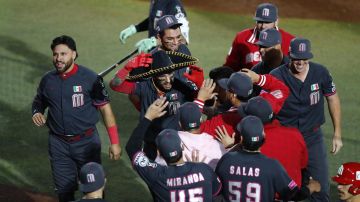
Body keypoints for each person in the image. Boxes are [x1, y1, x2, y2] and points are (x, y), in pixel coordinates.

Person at [31, 35, 121, 202]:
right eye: (55, 54)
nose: (58, 58)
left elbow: (106, 110)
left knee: (94, 190)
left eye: (63, 54)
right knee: (64, 191)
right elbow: (39, 101)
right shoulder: (47, 80)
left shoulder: (90, 78)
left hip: (87, 142)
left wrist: (114, 142)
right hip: (58, 145)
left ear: (74, 54)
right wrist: (36, 112)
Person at [270, 37, 343, 201]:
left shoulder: (321, 72)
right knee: (282, 189)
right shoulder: (276, 76)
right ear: (289, 55)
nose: (300, 62)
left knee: (321, 189)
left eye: (304, 58)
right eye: (296, 58)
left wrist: (337, 133)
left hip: (312, 138)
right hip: (286, 138)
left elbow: (332, 98)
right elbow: (266, 107)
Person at [125, 98, 222, 201]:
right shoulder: (204, 169)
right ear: (182, 147)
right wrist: (194, 169)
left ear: (158, 152)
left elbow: (132, 148)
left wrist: (148, 117)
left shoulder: (156, 175)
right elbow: (217, 193)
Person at [111, 50, 198, 160]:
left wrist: (199, 85)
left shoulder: (179, 86)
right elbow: (115, 86)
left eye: (171, 74)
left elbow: (202, 100)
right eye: (162, 76)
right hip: (151, 146)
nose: (168, 80)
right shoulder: (144, 87)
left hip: (175, 143)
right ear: (154, 75)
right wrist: (126, 69)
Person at [111, 15, 202, 110]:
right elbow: (117, 85)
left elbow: (190, 74)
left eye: (178, 37)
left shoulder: (183, 49)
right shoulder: (151, 60)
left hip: (184, 104)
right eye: (170, 39)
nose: (175, 42)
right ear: (159, 37)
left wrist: (197, 85)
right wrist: (126, 69)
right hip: (164, 110)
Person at [216, 115, 310, 201]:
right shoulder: (272, 166)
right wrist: (310, 188)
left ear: (241, 139)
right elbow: (293, 194)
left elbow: (215, 190)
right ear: (264, 137)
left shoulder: (226, 160)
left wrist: (232, 147)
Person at [155, 102, 227, 170]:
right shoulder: (217, 146)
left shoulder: (170, 142)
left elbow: (159, 169)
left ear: (180, 123)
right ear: (201, 119)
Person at [224, 3, 294, 71]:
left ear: (276, 21)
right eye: (260, 22)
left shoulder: (289, 40)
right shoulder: (242, 38)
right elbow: (230, 67)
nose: (263, 26)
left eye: (267, 22)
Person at [119, 0, 189, 53]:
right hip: (155, 55)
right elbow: (155, 20)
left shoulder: (174, 3)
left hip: (171, 61)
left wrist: (155, 42)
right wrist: (135, 28)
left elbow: (183, 40)